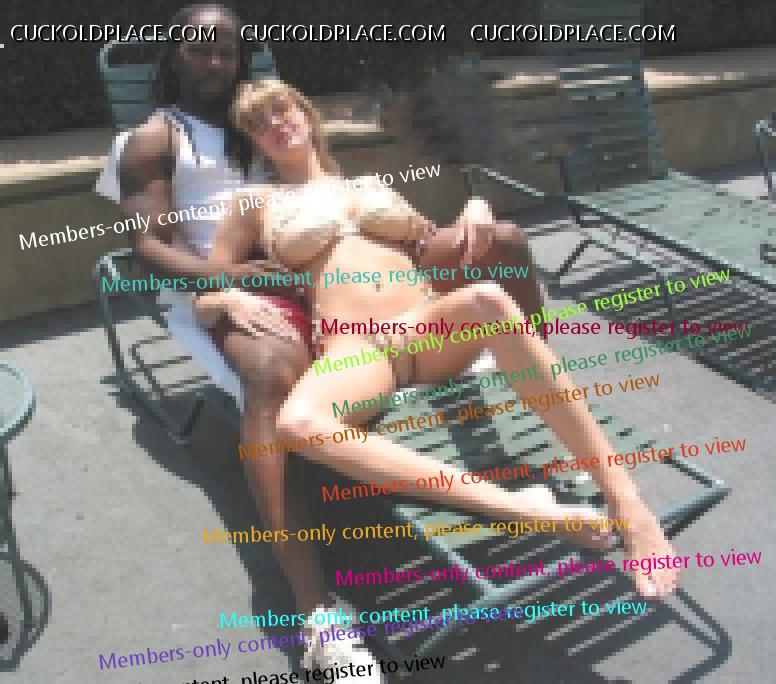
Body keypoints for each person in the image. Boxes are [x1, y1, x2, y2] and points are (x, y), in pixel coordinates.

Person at [195, 79, 681, 613]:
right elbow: (206, 289)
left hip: (427, 325)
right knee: (299, 425)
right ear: (254, 142)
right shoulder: (256, 203)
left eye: (280, 109)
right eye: (257, 123)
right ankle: (524, 510)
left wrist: (476, 207)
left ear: (305, 113)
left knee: (488, 298)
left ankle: (626, 501)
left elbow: (431, 241)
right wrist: (226, 300)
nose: (274, 124)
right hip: (357, 349)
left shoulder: (370, 185)